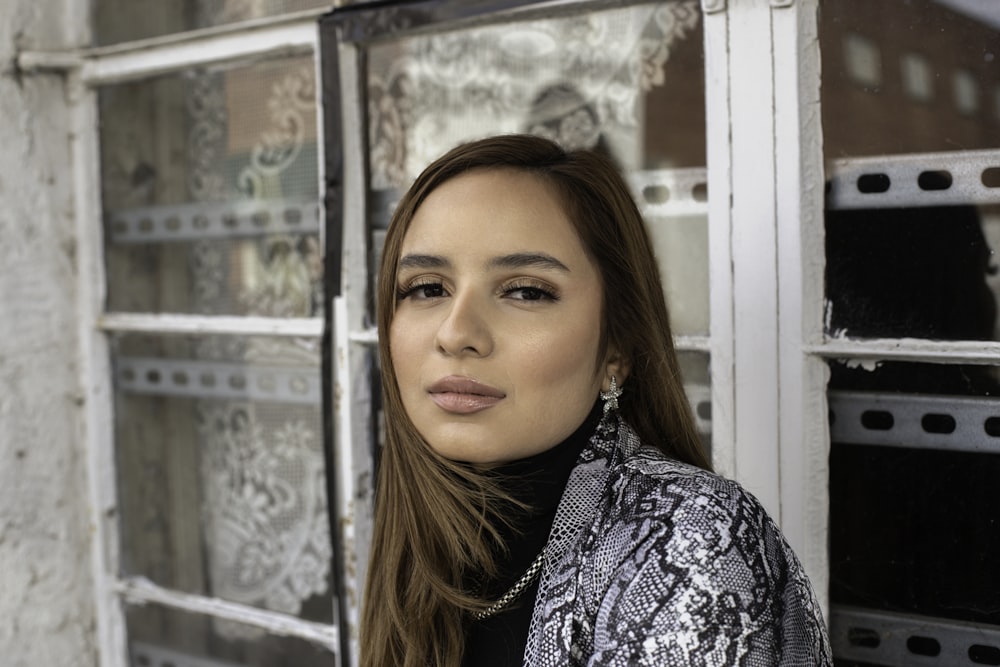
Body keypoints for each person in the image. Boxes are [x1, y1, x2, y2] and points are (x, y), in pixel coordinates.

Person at [360, 134, 832, 666]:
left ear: (616, 348)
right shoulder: (426, 526)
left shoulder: (689, 541)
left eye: (526, 290)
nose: (456, 333)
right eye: (427, 288)